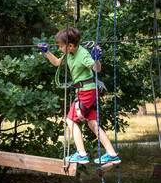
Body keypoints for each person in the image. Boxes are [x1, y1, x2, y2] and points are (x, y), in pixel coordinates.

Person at [37, 26, 121, 165]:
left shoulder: (83, 54)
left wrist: (96, 59)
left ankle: (81, 154)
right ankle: (112, 154)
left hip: (87, 91)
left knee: (70, 120)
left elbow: (96, 69)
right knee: (92, 123)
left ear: (70, 45)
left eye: (60, 46)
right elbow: (57, 62)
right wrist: (46, 52)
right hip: (86, 91)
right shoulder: (69, 53)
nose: (59, 49)